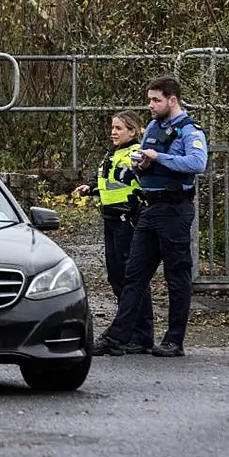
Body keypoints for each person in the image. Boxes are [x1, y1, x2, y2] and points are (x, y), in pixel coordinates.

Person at [93, 75, 208, 358]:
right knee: (133, 275)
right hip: (150, 208)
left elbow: (197, 163)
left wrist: (158, 157)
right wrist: (142, 164)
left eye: (156, 100)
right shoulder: (154, 127)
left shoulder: (189, 130)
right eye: (149, 100)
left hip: (175, 208)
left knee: (176, 275)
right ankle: (119, 337)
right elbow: (143, 162)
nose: (151, 105)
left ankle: (174, 340)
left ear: (172, 100)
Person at [73, 110, 153, 354]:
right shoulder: (114, 153)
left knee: (132, 279)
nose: (113, 132)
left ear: (133, 131)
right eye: (112, 127)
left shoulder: (135, 153)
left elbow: (136, 178)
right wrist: (92, 188)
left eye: (119, 128)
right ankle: (131, 332)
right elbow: (111, 182)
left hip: (127, 219)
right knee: (117, 278)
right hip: (111, 219)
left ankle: (141, 335)